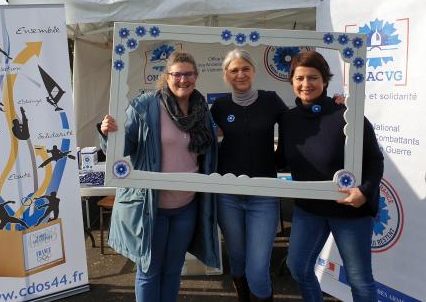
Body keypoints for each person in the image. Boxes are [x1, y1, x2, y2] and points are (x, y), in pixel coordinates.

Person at [99, 51, 220, 302]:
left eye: (188, 74)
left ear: (196, 77)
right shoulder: (145, 106)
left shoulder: (202, 111)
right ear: (167, 77)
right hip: (150, 206)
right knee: (149, 271)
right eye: (177, 74)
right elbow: (122, 150)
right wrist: (108, 134)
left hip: (186, 206)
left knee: (173, 270)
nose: (183, 80)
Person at [279, 51, 384, 302]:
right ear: (292, 81)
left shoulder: (347, 113)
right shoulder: (288, 120)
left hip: (349, 209)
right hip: (309, 209)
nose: (306, 84)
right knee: (299, 268)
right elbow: (280, 159)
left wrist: (365, 191)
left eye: (313, 77)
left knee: (359, 280)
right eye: (300, 78)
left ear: (325, 80)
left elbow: (374, 159)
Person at [210, 49, 287, 302]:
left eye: (245, 69)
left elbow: (299, 124)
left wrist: (334, 105)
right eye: (234, 70)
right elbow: (196, 135)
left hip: (263, 195)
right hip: (228, 196)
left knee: (258, 269)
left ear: (254, 71)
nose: (240, 74)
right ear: (226, 75)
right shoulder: (219, 106)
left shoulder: (271, 100)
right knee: (239, 260)